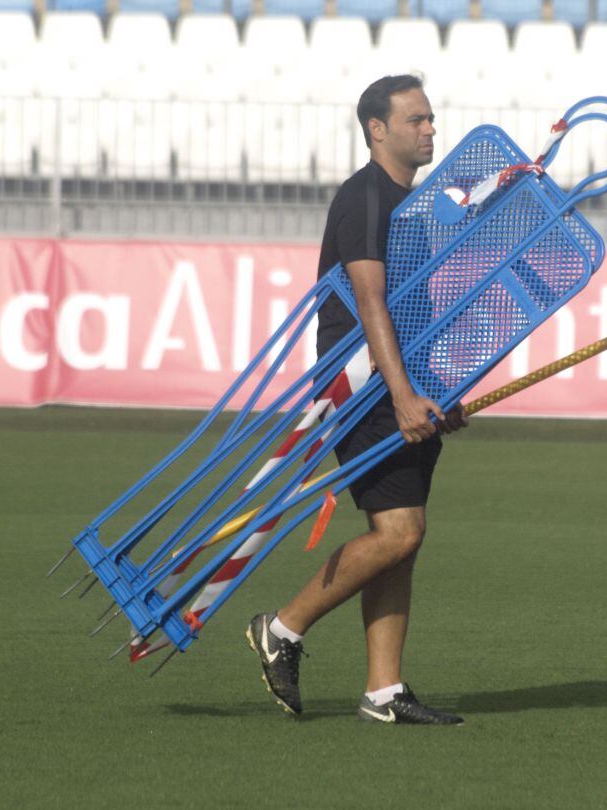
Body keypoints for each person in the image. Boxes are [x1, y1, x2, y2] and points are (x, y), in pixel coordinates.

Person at [247, 75, 468, 725]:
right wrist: (402, 395)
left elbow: (415, 308)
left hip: (402, 383)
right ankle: (282, 628)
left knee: (402, 538)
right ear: (378, 129)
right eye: (417, 120)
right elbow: (371, 304)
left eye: (431, 119)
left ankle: (383, 691)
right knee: (400, 530)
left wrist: (436, 390)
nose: (431, 129)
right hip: (362, 386)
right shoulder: (366, 200)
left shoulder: (413, 203)